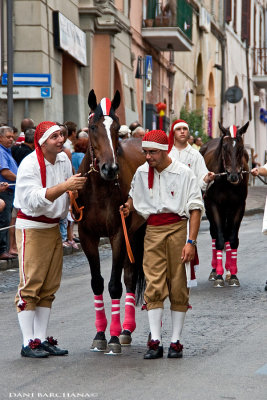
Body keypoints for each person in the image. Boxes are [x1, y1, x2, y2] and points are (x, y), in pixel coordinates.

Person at [121, 130, 204, 359]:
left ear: (165, 150)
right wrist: (129, 205)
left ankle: (175, 341)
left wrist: (191, 242)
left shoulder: (184, 173)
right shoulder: (141, 172)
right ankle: (155, 341)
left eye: (152, 152)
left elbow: (195, 209)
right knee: (153, 283)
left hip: (178, 228)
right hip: (153, 231)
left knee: (178, 284)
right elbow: (133, 193)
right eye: (145, 152)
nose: (148, 157)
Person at [14, 121, 87, 358]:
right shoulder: (29, 163)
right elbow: (32, 200)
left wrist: (73, 195)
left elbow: (67, 192)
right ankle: (28, 342)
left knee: (49, 286)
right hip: (32, 227)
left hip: (53, 227)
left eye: (62, 135)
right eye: (55, 137)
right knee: (30, 285)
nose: (61, 140)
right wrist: (66, 186)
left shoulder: (64, 159)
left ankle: (41, 338)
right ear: (42, 142)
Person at [168, 119, 215, 191]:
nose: (182, 131)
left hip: (190, 198)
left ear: (188, 132)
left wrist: (207, 178)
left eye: (185, 129)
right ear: (174, 133)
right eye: (178, 129)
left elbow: (202, 179)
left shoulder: (196, 155)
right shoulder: (167, 154)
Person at [0, 126, 18, 260]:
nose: (11, 139)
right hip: (4, 191)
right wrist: (21, 179)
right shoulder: (1, 152)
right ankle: (2, 250)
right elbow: (5, 172)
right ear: (0, 137)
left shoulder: (7, 151)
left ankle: (6, 249)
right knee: (4, 220)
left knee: (7, 220)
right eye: (8, 137)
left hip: (10, 191)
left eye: (12, 137)